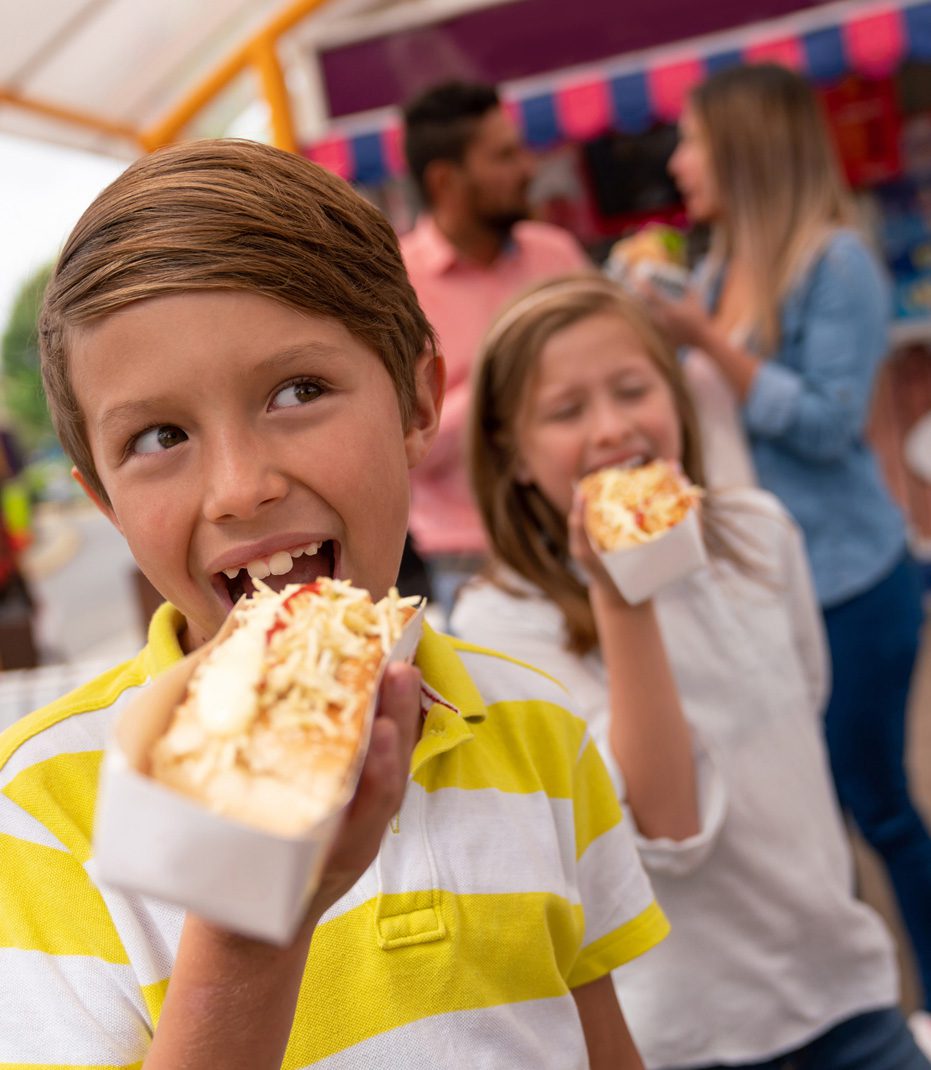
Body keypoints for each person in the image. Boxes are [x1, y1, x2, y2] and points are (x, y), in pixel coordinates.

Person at [0, 140, 667, 1069]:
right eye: (160, 435)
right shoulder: (42, 808)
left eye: (297, 391)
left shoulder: (540, 729)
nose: (240, 488)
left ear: (416, 404)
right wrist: (247, 928)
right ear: (105, 500)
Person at [452, 273, 931, 1070]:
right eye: (567, 411)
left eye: (633, 390)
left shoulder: (758, 534)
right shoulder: (501, 623)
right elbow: (666, 828)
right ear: (513, 453)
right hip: (687, 1030)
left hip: (840, 986)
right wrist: (621, 596)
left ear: (674, 397)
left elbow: (804, 708)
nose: (610, 429)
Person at [641, 62, 931, 1022]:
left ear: (744, 149)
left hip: (849, 580)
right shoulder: (722, 263)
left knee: (875, 807)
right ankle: (852, 999)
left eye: (691, 140)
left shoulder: (832, 261)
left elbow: (828, 421)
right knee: (815, 810)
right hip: (770, 581)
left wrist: (704, 338)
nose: (678, 162)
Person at [399, 80, 591, 615]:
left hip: (589, 534)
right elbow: (404, 450)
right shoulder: (393, 288)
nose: (528, 168)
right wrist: (500, 371)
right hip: (474, 564)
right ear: (445, 180)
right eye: (504, 156)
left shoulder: (556, 255)